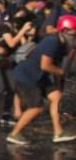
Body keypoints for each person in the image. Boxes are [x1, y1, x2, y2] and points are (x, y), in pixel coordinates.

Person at [6, 14, 76, 145]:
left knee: (56, 96)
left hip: (39, 76)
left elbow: (54, 67)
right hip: (27, 76)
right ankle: (14, 134)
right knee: (36, 107)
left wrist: (58, 84)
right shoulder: (53, 42)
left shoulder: (62, 44)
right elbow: (46, 65)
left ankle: (58, 132)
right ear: (65, 30)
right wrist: (62, 72)